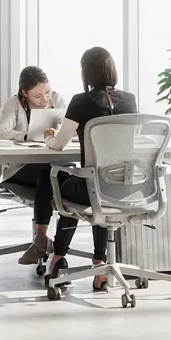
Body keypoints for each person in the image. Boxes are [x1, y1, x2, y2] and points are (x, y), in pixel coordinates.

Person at [44, 47, 137, 291]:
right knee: (99, 187)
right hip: (126, 187)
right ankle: (99, 266)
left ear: (86, 72)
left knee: (66, 186)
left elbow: (59, 145)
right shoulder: (130, 100)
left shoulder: (81, 101)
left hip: (94, 187)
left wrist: (48, 136)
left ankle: (58, 257)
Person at [0, 67, 65, 265]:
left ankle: (47, 245)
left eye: (47, 92)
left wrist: (61, 133)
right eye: (38, 96)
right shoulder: (14, 104)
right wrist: (27, 135)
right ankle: (42, 239)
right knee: (48, 173)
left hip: (50, 167)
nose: (45, 99)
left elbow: (71, 127)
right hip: (19, 169)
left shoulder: (56, 99)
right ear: (25, 93)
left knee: (54, 173)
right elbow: (0, 133)